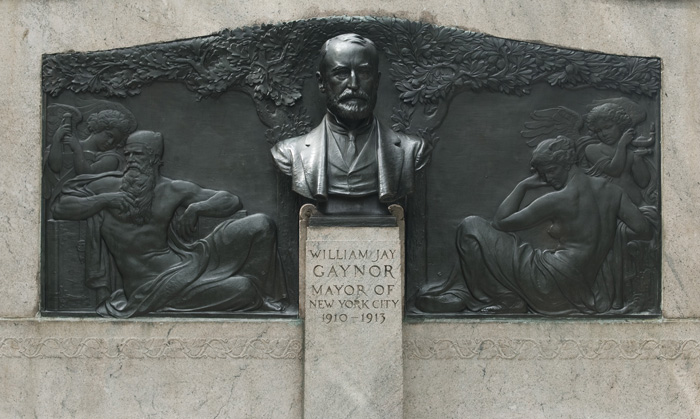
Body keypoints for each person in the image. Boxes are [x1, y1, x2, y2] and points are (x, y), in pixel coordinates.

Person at [53, 130, 287, 317]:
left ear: (155, 160)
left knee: (261, 224)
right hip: (152, 286)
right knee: (244, 289)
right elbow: (61, 207)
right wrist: (104, 200)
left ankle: (271, 298)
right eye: (128, 155)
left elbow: (231, 201)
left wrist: (197, 208)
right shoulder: (105, 187)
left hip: (191, 260)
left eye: (139, 155)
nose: (131, 161)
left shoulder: (173, 189)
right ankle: (251, 294)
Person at [416, 136, 656, 315]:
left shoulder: (558, 200)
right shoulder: (613, 192)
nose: (547, 179)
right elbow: (643, 229)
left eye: (547, 173)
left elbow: (501, 222)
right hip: (579, 287)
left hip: (548, 282)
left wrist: (524, 186)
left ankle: (493, 298)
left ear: (560, 166)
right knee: (506, 245)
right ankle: (481, 295)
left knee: (472, 227)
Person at [271, 33, 431, 214]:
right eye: (341, 73)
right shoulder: (289, 153)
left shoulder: (412, 151)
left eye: (364, 73)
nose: (354, 84)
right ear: (322, 82)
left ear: (377, 81)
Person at [43, 105, 137, 210]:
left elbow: (85, 174)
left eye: (115, 141)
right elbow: (55, 167)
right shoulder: (68, 145)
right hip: (60, 202)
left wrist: (77, 150)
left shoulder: (111, 159)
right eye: (109, 135)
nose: (110, 142)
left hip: (83, 204)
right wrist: (56, 139)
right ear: (98, 128)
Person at [584, 100, 655, 205]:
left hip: (638, 204)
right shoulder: (592, 149)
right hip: (609, 208)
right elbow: (614, 170)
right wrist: (621, 145)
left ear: (620, 125)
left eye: (608, 127)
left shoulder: (630, 153)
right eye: (599, 130)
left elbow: (643, 182)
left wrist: (638, 159)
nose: (604, 133)